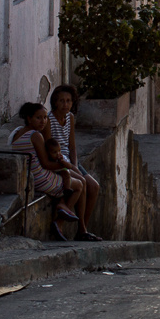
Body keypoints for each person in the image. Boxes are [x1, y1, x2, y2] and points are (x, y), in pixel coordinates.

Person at [11, 102, 94, 241]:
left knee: (72, 178)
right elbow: (46, 164)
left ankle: (65, 208)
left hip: (31, 174)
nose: (43, 121)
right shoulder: (35, 135)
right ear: (29, 118)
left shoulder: (18, 132)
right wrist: (66, 166)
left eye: (45, 118)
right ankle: (62, 216)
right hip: (40, 178)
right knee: (79, 185)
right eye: (38, 118)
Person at [46, 85, 102, 240]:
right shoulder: (49, 120)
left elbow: (72, 146)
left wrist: (75, 165)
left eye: (69, 101)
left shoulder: (70, 117)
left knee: (94, 186)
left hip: (70, 161)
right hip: (59, 161)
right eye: (62, 101)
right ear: (55, 102)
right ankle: (70, 226)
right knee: (81, 182)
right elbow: (49, 148)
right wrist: (67, 165)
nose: (65, 104)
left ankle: (82, 228)